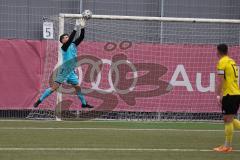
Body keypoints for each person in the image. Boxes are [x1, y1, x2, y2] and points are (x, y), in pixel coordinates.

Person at [33, 18, 93, 109]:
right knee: (54, 88)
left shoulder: (73, 45)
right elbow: (70, 40)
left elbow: (81, 37)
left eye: (67, 36)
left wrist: (83, 27)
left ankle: (84, 103)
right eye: (65, 37)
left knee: (77, 87)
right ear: (62, 41)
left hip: (72, 71)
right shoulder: (64, 47)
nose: (67, 38)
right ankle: (39, 100)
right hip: (65, 70)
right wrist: (75, 27)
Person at [213, 43, 240, 152]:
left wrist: (219, 95)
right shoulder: (232, 61)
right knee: (229, 119)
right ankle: (226, 145)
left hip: (230, 94)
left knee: (228, 120)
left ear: (218, 51)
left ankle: (227, 146)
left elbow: (220, 80)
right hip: (235, 93)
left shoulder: (222, 62)